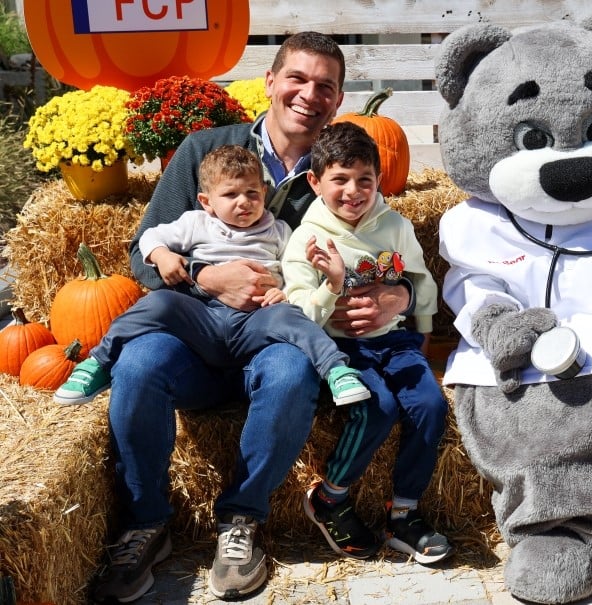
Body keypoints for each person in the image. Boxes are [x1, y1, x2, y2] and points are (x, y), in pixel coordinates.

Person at [89, 33, 413, 603]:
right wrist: (202, 275)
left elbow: (389, 253)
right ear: (269, 82)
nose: (309, 94)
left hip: (273, 336)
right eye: (298, 79)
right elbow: (143, 249)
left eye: (325, 87)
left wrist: (401, 298)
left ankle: (241, 520)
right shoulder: (204, 151)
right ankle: (146, 523)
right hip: (194, 333)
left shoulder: (341, 172)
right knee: (138, 363)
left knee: (291, 372)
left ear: (337, 101)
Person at [53, 144, 371, 407]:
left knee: (291, 317)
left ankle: (337, 371)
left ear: (263, 191)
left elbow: (295, 269)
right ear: (207, 202)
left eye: (252, 193)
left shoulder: (279, 231)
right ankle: (99, 362)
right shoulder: (196, 223)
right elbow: (149, 238)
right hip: (202, 313)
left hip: (256, 318)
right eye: (231, 195)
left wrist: (284, 291)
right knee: (159, 302)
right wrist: (162, 255)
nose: (244, 202)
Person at [282, 122, 454, 565]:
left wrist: (419, 328)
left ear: (379, 178)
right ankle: (330, 496)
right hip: (339, 351)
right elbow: (298, 312)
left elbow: (418, 279)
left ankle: (404, 514)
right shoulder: (306, 239)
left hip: (395, 342)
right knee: (377, 407)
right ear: (315, 182)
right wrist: (333, 286)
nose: (354, 191)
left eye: (365, 179)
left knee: (431, 406)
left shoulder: (394, 225)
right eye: (339, 179)